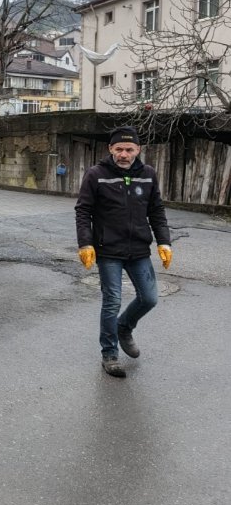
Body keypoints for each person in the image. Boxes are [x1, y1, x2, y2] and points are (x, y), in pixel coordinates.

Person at [75, 125, 172, 378]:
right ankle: (110, 354)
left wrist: (164, 242)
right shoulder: (96, 175)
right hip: (108, 250)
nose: (124, 154)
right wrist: (85, 243)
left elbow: (156, 210)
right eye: (119, 149)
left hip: (139, 249)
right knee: (112, 302)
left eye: (129, 149)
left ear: (138, 150)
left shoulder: (148, 174)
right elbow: (83, 211)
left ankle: (124, 327)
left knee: (149, 298)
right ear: (110, 149)